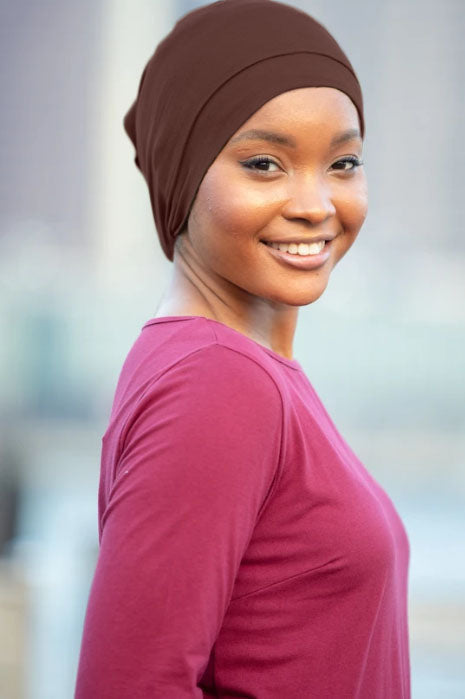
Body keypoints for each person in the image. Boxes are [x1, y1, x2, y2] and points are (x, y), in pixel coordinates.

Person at [75, 1, 411, 697]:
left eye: (342, 162)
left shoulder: (234, 370)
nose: (316, 202)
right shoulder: (218, 382)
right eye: (264, 163)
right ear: (182, 172)